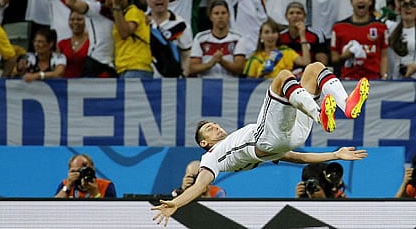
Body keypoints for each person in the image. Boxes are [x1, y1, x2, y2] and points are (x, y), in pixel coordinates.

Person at [152, 62, 369, 224]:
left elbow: (298, 157)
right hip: (267, 139)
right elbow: (199, 185)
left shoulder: (236, 142)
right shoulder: (211, 157)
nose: (216, 127)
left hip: (292, 136)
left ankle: (346, 105)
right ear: (204, 143)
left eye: (216, 124)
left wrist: (335, 155)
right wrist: (177, 203)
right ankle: (320, 113)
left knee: (313, 69)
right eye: (209, 129)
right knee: (283, 76)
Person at [331, 0, 389, 80]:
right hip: (348, 80)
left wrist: (384, 77)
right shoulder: (338, 27)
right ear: (351, 2)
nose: (360, 0)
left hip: (373, 80)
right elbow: (334, 59)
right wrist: (345, 56)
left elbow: (384, 56)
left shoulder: (380, 27)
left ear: (370, 2)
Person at [107, 0, 152, 78]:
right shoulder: (120, 16)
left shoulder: (133, 11)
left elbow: (125, 33)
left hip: (136, 67)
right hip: (124, 68)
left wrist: (116, 6)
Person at [189, 0, 246, 78]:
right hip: (207, 85)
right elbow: (192, 68)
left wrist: (222, 62)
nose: (220, 16)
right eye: (216, 13)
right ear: (210, 17)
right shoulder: (200, 38)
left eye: (223, 13)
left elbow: (239, 68)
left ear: (229, 16)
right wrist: (211, 63)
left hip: (229, 86)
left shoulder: (238, 38)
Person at [244, 19, 311, 79]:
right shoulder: (254, 58)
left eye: (273, 32)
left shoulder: (286, 51)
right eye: (266, 32)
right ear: (261, 36)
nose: (270, 35)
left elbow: (306, 62)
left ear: (278, 35)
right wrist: (262, 74)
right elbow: (248, 86)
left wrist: (302, 36)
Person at [57, 11, 89, 78]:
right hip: (66, 85)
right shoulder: (61, 44)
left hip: (87, 84)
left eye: (79, 19)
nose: (75, 22)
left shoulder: (91, 42)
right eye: (72, 19)